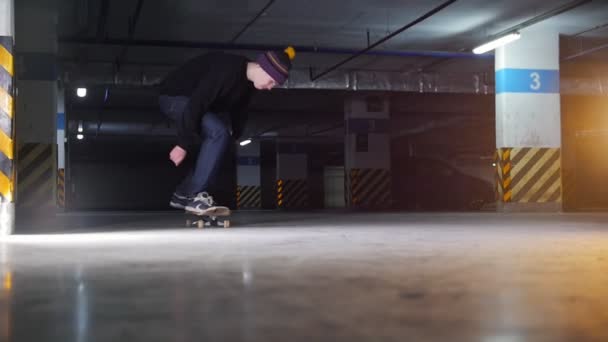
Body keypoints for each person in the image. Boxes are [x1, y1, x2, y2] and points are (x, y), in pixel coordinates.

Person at [158, 47, 296, 215]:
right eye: (272, 81)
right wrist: (183, 144)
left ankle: (183, 195)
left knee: (219, 141)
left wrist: (235, 137)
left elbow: (240, 110)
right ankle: (194, 196)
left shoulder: (248, 85)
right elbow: (197, 103)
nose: (270, 87)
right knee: (218, 132)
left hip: (198, 106)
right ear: (261, 67)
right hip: (175, 97)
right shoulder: (227, 69)